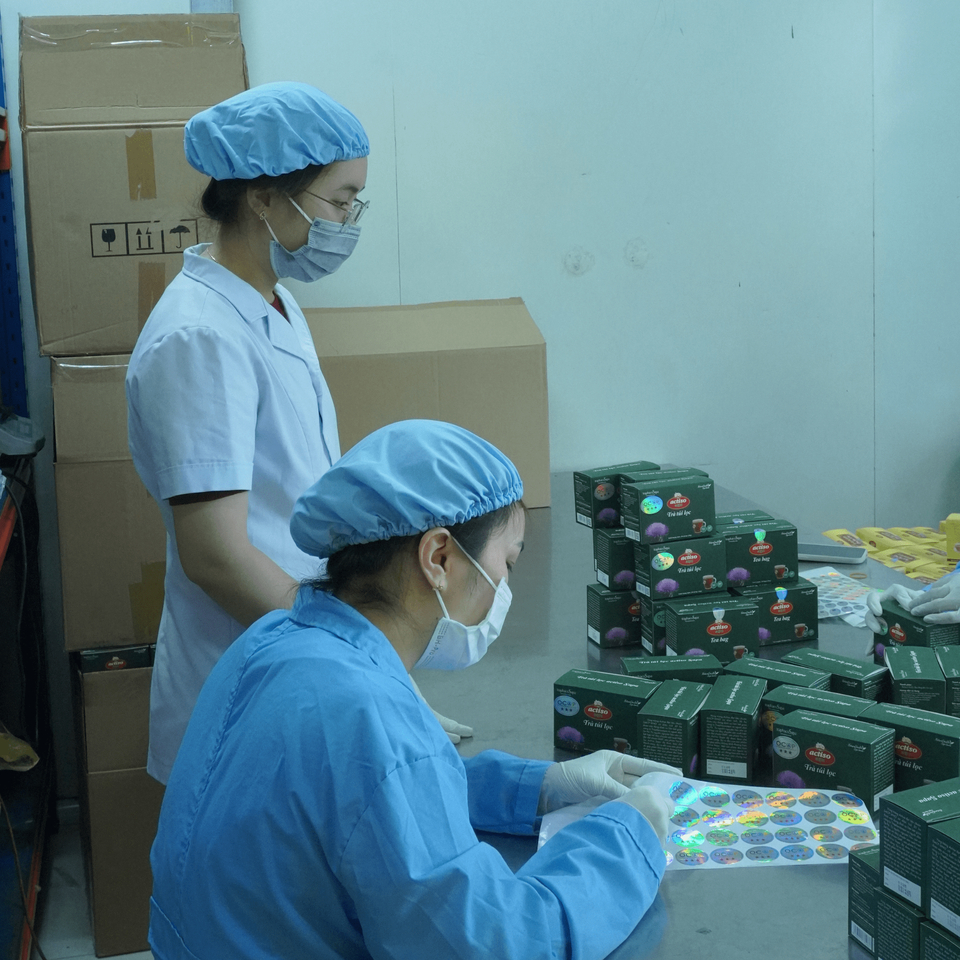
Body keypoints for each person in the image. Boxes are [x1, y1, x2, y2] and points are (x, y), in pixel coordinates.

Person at [148, 420, 678, 960]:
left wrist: (536, 788)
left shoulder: (270, 641)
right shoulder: (367, 712)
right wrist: (627, 838)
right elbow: (497, 945)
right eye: (507, 562)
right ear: (439, 557)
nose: (504, 589)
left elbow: (364, 802)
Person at [126, 83, 466, 784]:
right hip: (243, 679)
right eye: (340, 201)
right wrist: (355, 655)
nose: (348, 221)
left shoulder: (272, 303)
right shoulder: (199, 336)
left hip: (297, 656)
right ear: (263, 197)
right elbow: (217, 556)